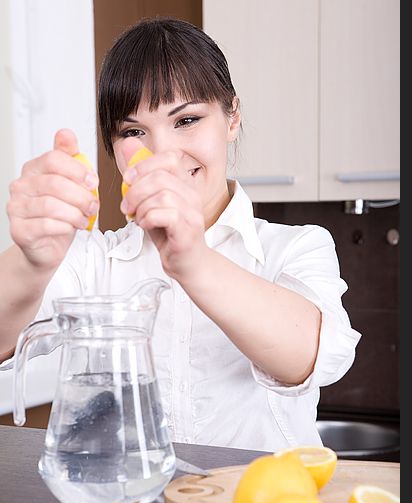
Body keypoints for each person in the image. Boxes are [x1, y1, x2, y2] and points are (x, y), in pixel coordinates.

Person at [0, 17, 360, 451]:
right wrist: (31, 261)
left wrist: (194, 261)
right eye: (134, 131)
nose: (164, 154)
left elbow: (306, 356)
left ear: (232, 118)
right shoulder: (92, 262)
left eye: (186, 119)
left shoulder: (298, 246)